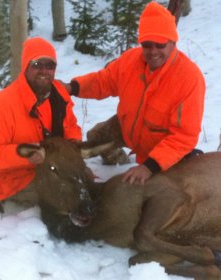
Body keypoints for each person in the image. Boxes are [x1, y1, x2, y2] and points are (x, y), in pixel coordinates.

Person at [62, 1, 205, 185]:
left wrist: (149, 166)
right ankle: (122, 162)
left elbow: (184, 136)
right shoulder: (131, 60)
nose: (153, 52)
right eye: (147, 44)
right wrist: (73, 87)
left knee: (161, 188)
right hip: (128, 127)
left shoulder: (189, 78)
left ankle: (169, 162)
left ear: (173, 42)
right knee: (95, 137)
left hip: (161, 144)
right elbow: (103, 81)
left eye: (160, 45)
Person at [0, 37, 82, 212]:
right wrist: (23, 155)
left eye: (50, 65)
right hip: (9, 183)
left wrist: (75, 154)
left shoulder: (58, 95)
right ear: (25, 67)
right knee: (69, 200)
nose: (44, 70)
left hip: (48, 169)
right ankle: (9, 207)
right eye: (37, 64)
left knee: (86, 185)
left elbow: (71, 129)